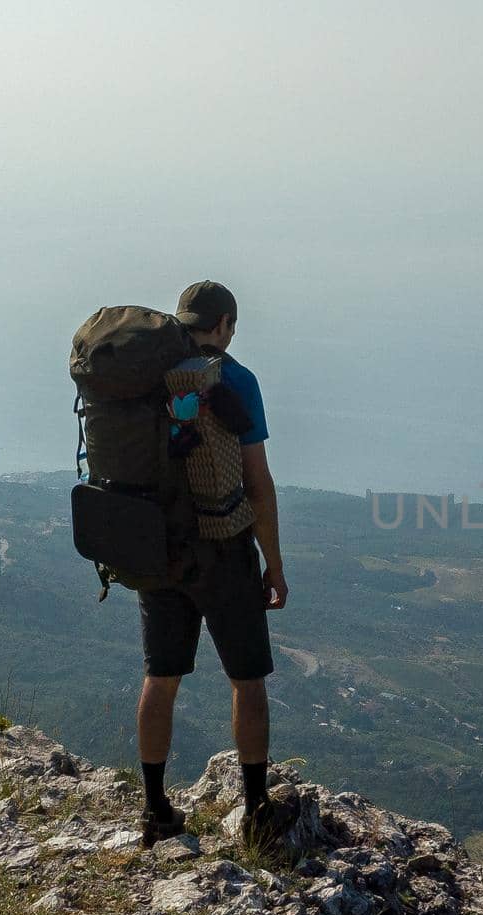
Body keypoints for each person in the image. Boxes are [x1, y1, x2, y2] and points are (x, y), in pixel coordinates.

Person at [135, 280, 292, 848]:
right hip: (223, 549)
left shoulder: (149, 376)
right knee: (246, 679)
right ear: (224, 324)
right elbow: (259, 481)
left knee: (161, 676)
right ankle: (256, 811)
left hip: (160, 547)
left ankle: (155, 810)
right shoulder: (236, 381)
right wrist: (272, 564)